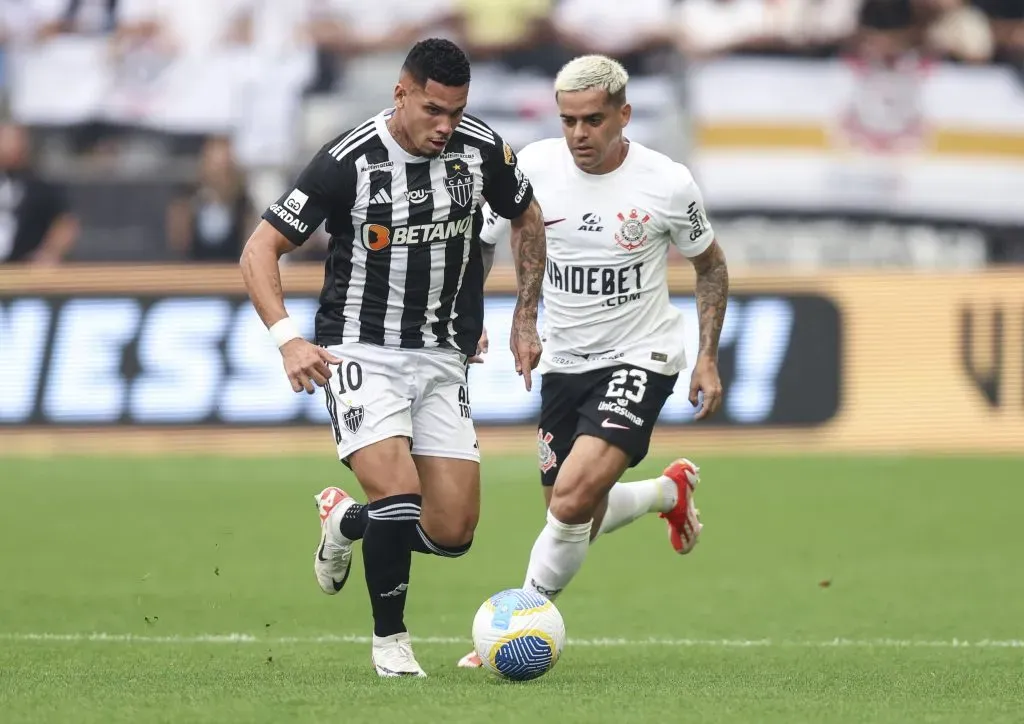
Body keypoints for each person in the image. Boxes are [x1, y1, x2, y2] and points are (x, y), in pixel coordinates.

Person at [239, 38, 546, 677]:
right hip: (359, 349)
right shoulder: (346, 161)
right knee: (400, 498)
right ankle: (391, 646)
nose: (445, 126)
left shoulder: (482, 149)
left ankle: (345, 520)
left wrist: (521, 318)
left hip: (440, 354)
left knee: (453, 531)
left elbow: (528, 218)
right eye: (433, 110)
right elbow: (258, 250)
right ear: (400, 93)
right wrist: (289, 340)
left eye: (456, 112)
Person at [456, 54, 729, 668]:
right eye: (568, 120)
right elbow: (482, 246)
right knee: (574, 507)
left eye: (593, 120)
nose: (579, 134)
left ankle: (518, 619)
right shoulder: (530, 168)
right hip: (565, 360)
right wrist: (491, 320)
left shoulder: (667, 183)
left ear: (624, 115)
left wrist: (705, 356)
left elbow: (710, 265)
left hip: (643, 354)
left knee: (572, 500)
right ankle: (667, 492)